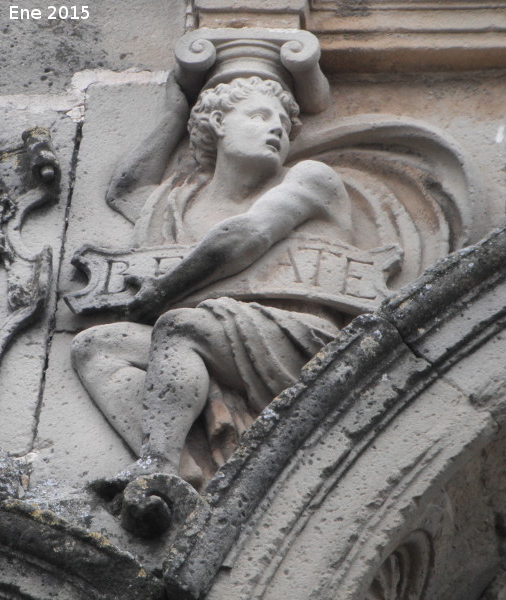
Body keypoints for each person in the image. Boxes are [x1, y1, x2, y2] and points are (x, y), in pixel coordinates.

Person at [71, 74, 351, 487]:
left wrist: (164, 292)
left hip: (298, 338)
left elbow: (247, 236)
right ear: (218, 123)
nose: (277, 128)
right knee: (94, 346)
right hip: (221, 332)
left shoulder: (312, 178)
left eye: (284, 125)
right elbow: (127, 191)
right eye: (259, 115)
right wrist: (173, 117)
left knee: (180, 326)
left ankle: (157, 464)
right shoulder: (183, 198)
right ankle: (184, 472)